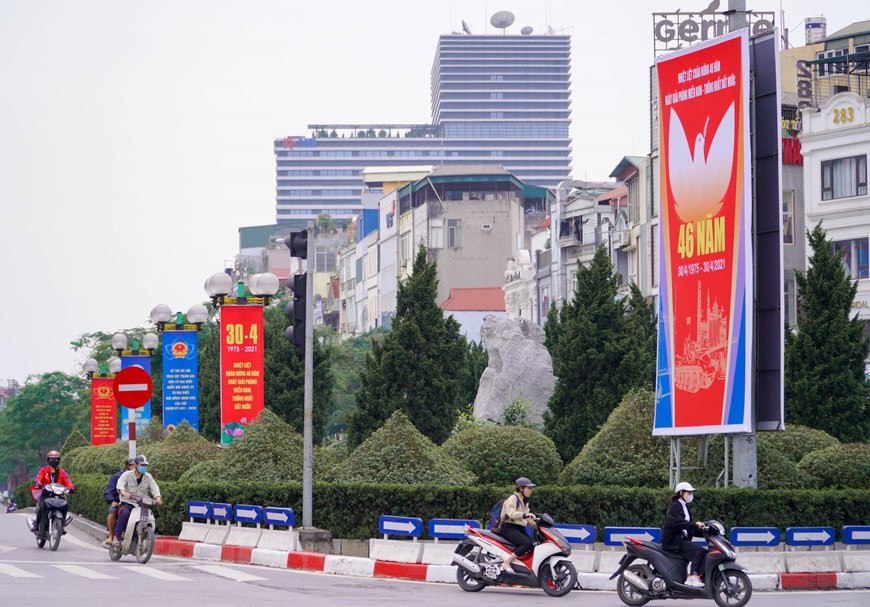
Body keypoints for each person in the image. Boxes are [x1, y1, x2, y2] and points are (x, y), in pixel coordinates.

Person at [662, 481, 706, 587]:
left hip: (682, 539)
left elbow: (688, 527)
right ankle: (692, 578)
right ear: (681, 492)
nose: (691, 495)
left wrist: (705, 532)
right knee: (699, 552)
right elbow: (678, 523)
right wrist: (695, 524)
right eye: (689, 492)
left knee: (704, 552)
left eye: (691, 493)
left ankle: (699, 576)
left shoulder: (684, 506)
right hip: (674, 540)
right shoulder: (675, 506)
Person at [112, 454, 162, 546]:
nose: (144, 467)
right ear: (135, 465)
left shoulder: (148, 477)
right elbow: (120, 484)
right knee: (125, 513)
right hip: (128, 502)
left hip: (142, 504)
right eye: (141, 465)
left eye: (145, 465)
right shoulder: (127, 474)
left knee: (148, 518)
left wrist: (157, 498)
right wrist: (123, 492)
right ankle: (116, 537)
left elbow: (154, 487)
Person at [498, 477, 538, 572]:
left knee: (534, 544)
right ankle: (506, 562)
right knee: (527, 544)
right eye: (528, 488)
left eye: (531, 489)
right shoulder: (513, 498)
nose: (530, 491)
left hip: (519, 528)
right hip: (509, 527)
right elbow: (511, 513)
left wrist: (539, 525)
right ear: (521, 489)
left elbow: (528, 520)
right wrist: (524, 515)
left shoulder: (525, 502)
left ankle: (520, 569)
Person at [31, 450, 75, 533]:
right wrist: (39, 484)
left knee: (64, 506)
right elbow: (38, 479)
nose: (54, 461)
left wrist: (71, 488)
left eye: (56, 459)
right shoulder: (43, 470)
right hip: (46, 494)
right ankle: (36, 524)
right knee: (43, 506)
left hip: (59, 495)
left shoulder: (62, 472)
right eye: (51, 459)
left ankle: (61, 525)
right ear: (48, 460)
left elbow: (68, 481)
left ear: (59, 460)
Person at [104, 458, 136, 545]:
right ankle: (111, 536)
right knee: (113, 511)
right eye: (133, 465)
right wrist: (112, 501)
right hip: (119, 502)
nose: (136, 467)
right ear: (128, 466)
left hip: (134, 502)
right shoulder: (117, 477)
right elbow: (109, 491)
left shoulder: (139, 477)